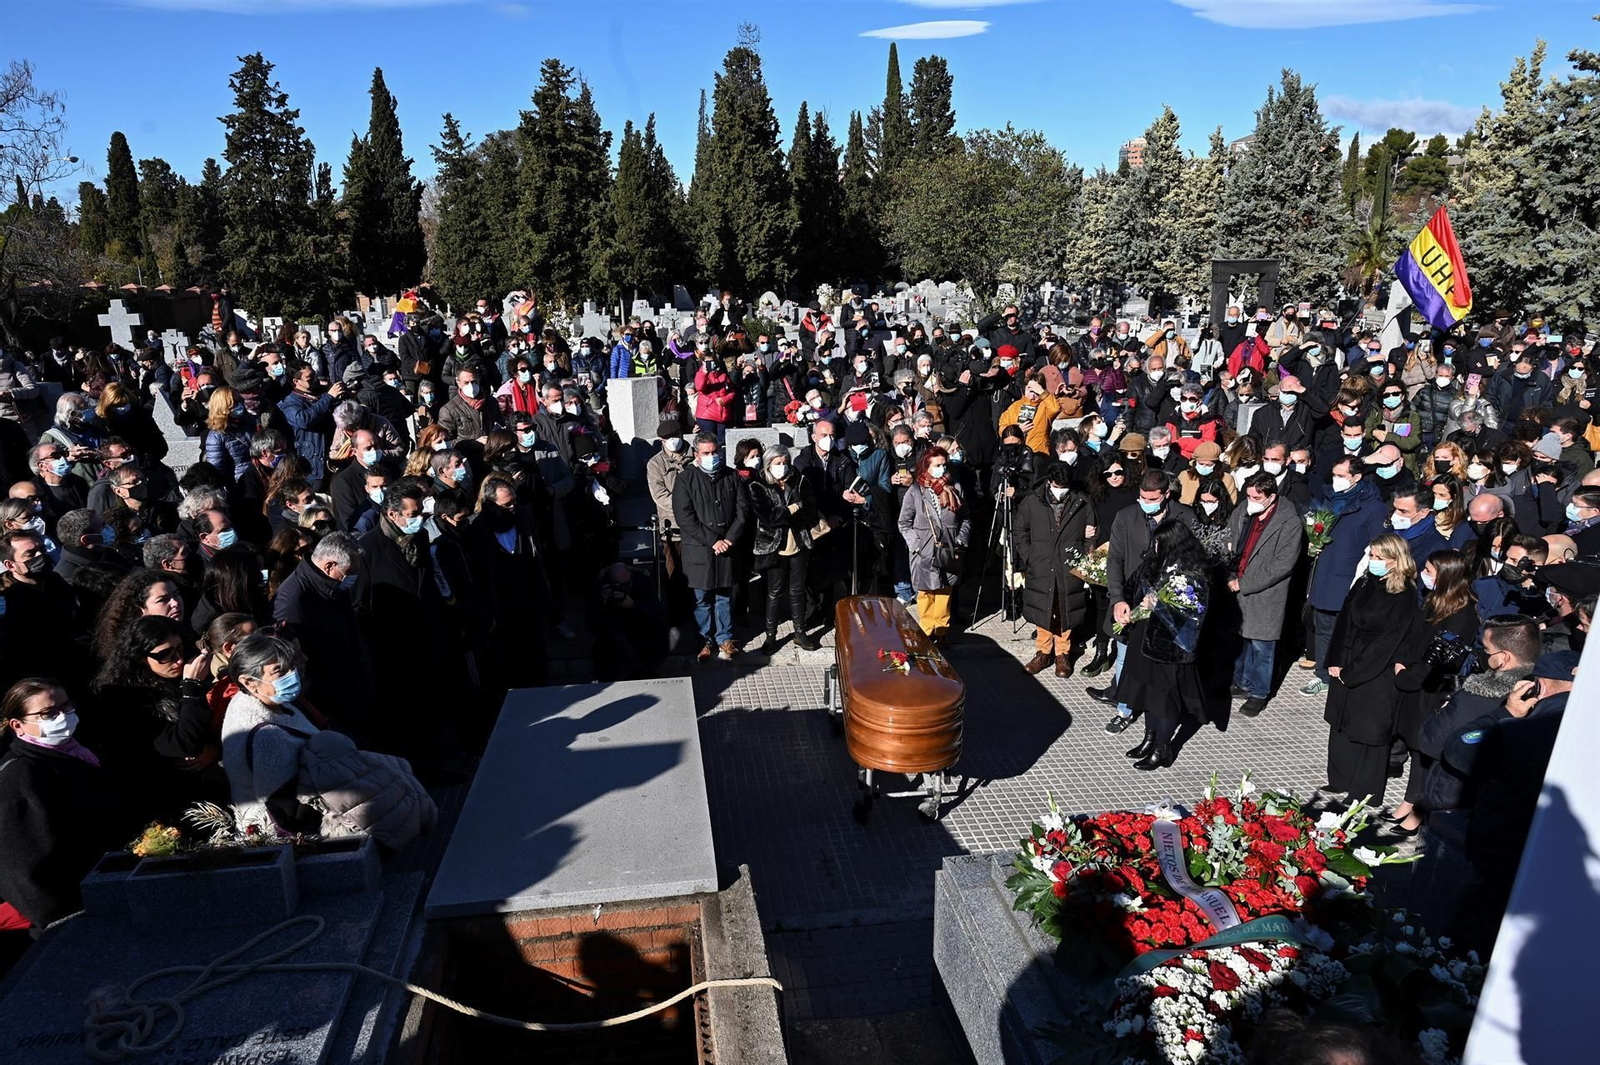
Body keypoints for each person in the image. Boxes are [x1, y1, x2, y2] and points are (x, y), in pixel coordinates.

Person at [0, 679, 131, 930]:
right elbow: (23, 866)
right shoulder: (20, 776)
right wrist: (67, 918)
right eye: (48, 713)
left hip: (109, 890)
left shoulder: (74, 752)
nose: (62, 716)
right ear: (18, 725)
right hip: (79, 913)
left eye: (65, 706)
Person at [88, 614, 224, 823]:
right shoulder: (123, 698)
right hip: (165, 800)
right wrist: (191, 688)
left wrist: (215, 748)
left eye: (180, 649)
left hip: (209, 791)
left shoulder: (187, 678)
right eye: (164, 655)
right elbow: (182, 744)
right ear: (141, 658)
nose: (178, 660)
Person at [1321, 533, 1422, 810]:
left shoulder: (1404, 595)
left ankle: (1365, 790)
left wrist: (1353, 672)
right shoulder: (1365, 582)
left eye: (1379, 557)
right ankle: (1340, 778)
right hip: (1347, 659)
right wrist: (1335, 659)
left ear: (1395, 561)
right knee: (1341, 721)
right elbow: (1344, 621)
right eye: (1372, 555)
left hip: (1376, 670)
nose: (1373, 561)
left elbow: (1387, 643)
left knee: (1369, 730)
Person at [1389, 549, 1479, 835]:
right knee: (1412, 744)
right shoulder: (1434, 600)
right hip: (1413, 681)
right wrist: (1402, 662)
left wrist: (1406, 676)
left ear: (1447, 576)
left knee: (1423, 749)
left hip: (1431, 689)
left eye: (1429, 570)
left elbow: (1440, 661)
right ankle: (1409, 800)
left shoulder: (1463, 615)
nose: (1423, 574)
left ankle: (1415, 806)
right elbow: (1413, 636)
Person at [1117, 520, 1212, 771]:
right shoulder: (1155, 562)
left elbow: (1194, 614)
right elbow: (1133, 586)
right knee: (1148, 693)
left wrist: (1158, 605)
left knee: (1165, 699)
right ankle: (1149, 739)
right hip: (1145, 641)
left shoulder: (1193, 573)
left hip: (1170, 648)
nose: (1155, 546)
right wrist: (1127, 606)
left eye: (1159, 542)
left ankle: (1163, 749)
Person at [1303, 455, 1389, 695]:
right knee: (1323, 626)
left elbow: (1378, 545)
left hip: (1350, 577)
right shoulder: (1330, 499)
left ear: (1357, 477)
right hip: (1325, 573)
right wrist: (1314, 544)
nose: (1336, 480)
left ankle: (1343, 673)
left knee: (1346, 630)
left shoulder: (1373, 507)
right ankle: (1322, 674)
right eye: (1334, 475)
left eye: (1342, 476)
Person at [1224, 472, 1304, 716]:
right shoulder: (1243, 512)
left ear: (1271, 497)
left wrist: (1244, 583)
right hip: (1236, 586)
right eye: (1249, 496)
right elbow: (1228, 541)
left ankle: (1259, 693)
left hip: (1266, 593)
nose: (1251, 501)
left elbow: (1283, 564)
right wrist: (1229, 574)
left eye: (1257, 497)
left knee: (1262, 646)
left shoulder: (1289, 522)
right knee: (1240, 640)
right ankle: (1241, 682)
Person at [672, 433, 748, 662]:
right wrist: (713, 540)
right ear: (697, 455)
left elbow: (743, 513)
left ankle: (725, 638)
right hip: (700, 548)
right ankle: (703, 640)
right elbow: (684, 517)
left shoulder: (732, 476)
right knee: (701, 598)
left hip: (727, 548)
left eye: (715, 452)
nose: (712, 456)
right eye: (706, 453)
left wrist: (729, 539)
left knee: (724, 596)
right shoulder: (685, 479)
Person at [1013, 461, 1092, 677]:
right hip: (1041, 563)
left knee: (1066, 608)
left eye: (1065, 486)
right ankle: (1043, 651)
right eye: (1058, 486)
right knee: (1043, 606)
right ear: (1049, 482)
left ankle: (1062, 654)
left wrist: (1084, 560)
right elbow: (1020, 530)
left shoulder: (1081, 501)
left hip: (1069, 564)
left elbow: (1091, 533)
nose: (1061, 490)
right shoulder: (1033, 501)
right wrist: (1030, 555)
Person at [747, 445, 822, 654]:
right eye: (778, 463)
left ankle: (800, 632)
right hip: (773, 546)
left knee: (797, 590)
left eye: (785, 462)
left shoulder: (799, 480)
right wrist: (793, 508)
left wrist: (788, 513)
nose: (783, 466)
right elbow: (769, 518)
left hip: (799, 542)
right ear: (768, 464)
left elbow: (810, 511)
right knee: (774, 592)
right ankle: (770, 635)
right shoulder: (758, 486)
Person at [898, 446, 970, 640]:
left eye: (944, 465)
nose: (942, 469)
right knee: (926, 593)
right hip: (925, 550)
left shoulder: (955, 488)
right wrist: (915, 545)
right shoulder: (915, 490)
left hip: (948, 549)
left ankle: (942, 632)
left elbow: (965, 518)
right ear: (927, 466)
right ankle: (927, 633)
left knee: (944, 592)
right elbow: (904, 523)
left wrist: (960, 539)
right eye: (937, 465)